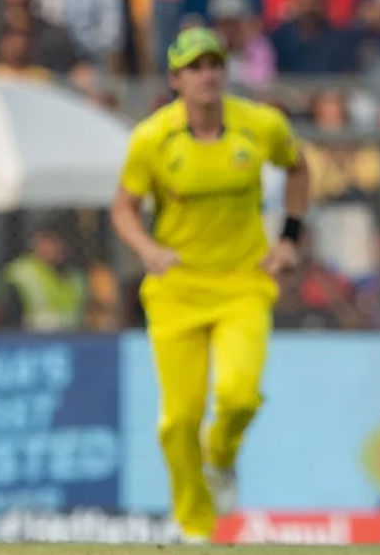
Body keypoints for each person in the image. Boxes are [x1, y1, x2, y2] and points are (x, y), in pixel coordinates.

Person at [109, 26, 310, 544]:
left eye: (215, 64)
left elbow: (298, 168)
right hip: (176, 290)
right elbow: (123, 208)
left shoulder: (259, 124)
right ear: (175, 78)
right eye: (194, 67)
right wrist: (147, 250)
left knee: (239, 396)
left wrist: (289, 238)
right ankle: (195, 525)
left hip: (244, 283)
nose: (207, 75)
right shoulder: (152, 138)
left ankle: (220, 457)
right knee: (179, 421)